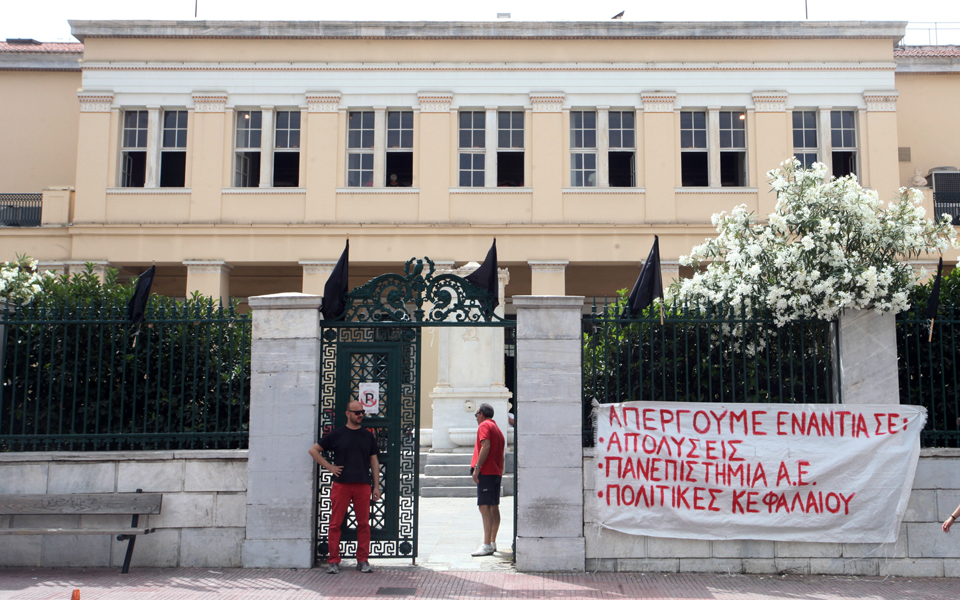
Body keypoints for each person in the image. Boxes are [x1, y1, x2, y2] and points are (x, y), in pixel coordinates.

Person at [308, 400, 381, 574]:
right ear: (347, 414)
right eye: (357, 412)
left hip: (363, 484)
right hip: (341, 485)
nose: (360, 415)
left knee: (364, 524)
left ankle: (363, 560)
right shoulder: (337, 434)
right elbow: (313, 450)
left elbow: (374, 461)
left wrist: (376, 486)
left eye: (362, 412)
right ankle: (333, 561)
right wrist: (330, 467)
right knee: (335, 523)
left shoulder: (367, 435)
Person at [470, 403, 505, 557]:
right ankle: (492, 541)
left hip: (487, 471)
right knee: (493, 506)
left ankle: (486, 544)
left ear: (482, 414)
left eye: (476, 414)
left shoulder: (484, 426)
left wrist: (477, 467)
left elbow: (485, 446)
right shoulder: (497, 429)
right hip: (496, 472)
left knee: (484, 507)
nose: (476, 418)